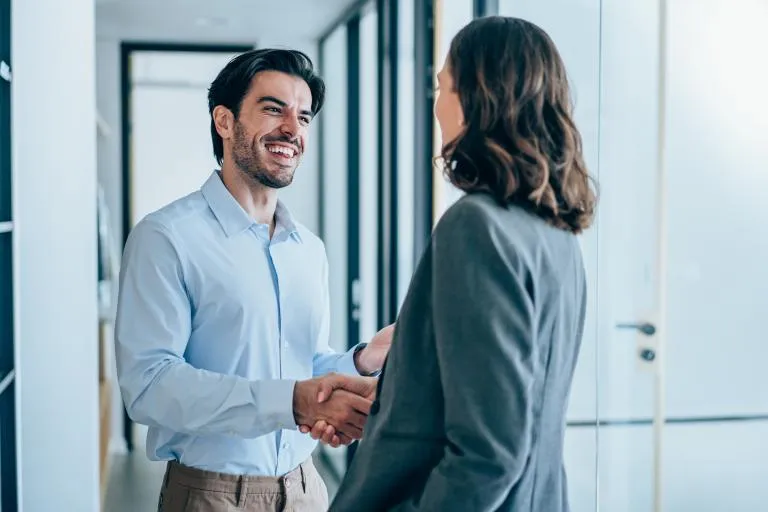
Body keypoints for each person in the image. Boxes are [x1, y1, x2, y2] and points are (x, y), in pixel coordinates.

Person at [329, 16, 597, 511]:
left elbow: (489, 454)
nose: (436, 106)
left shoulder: (475, 226)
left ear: (477, 96)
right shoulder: (557, 235)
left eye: (441, 86)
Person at [114, 48, 391, 512]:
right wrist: (293, 402)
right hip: (212, 495)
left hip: (306, 488)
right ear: (224, 122)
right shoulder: (166, 237)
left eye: (304, 116)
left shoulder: (309, 249)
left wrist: (362, 360)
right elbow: (149, 387)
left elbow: (302, 365)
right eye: (273, 109)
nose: (292, 129)